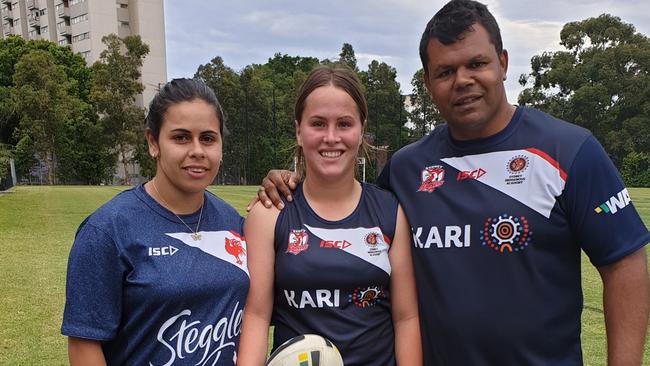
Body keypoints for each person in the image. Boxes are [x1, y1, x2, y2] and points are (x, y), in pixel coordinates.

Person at [253, 1, 650, 365]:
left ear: (503, 62)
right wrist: (288, 180)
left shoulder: (570, 150)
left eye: (476, 63)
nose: (462, 80)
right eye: (445, 71)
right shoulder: (407, 169)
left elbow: (625, 266)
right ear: (428, 83)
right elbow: (343, 201)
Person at [237, 65, 421, 366]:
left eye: (344, 124)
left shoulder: (389, 212)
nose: (331, 137)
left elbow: (406, 318)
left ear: (361, 129)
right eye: (318, 124)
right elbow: (256, 317)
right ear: (298, 130)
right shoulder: (269, 214)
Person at [61, 78, 249, 365]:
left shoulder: (232, 221)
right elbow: (84, 345)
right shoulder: (107, 231)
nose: (197, 150)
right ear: (153, 143)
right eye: (181, 137)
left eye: (208, 138)